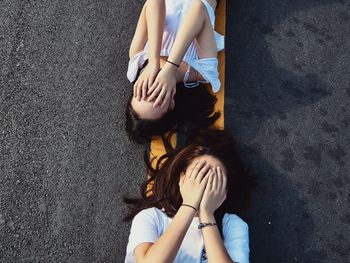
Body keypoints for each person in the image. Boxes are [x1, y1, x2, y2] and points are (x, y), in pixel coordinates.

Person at [124, 129, 256, 262]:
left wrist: (207, 214)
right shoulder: (152, 218)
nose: (204, 184)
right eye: (199, 174)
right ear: (182, 178)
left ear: (225, 191)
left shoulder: (232, 225)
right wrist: (189, 205)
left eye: (214, 180)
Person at [125, 0, 224, 144]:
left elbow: (154, 2)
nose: (152, 85)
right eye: (156, 96)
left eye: (143, 91)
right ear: (171, 102)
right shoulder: (202, 72)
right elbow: (198, 8)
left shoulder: (138, 58)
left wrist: (153, 61)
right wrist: (170, 68)